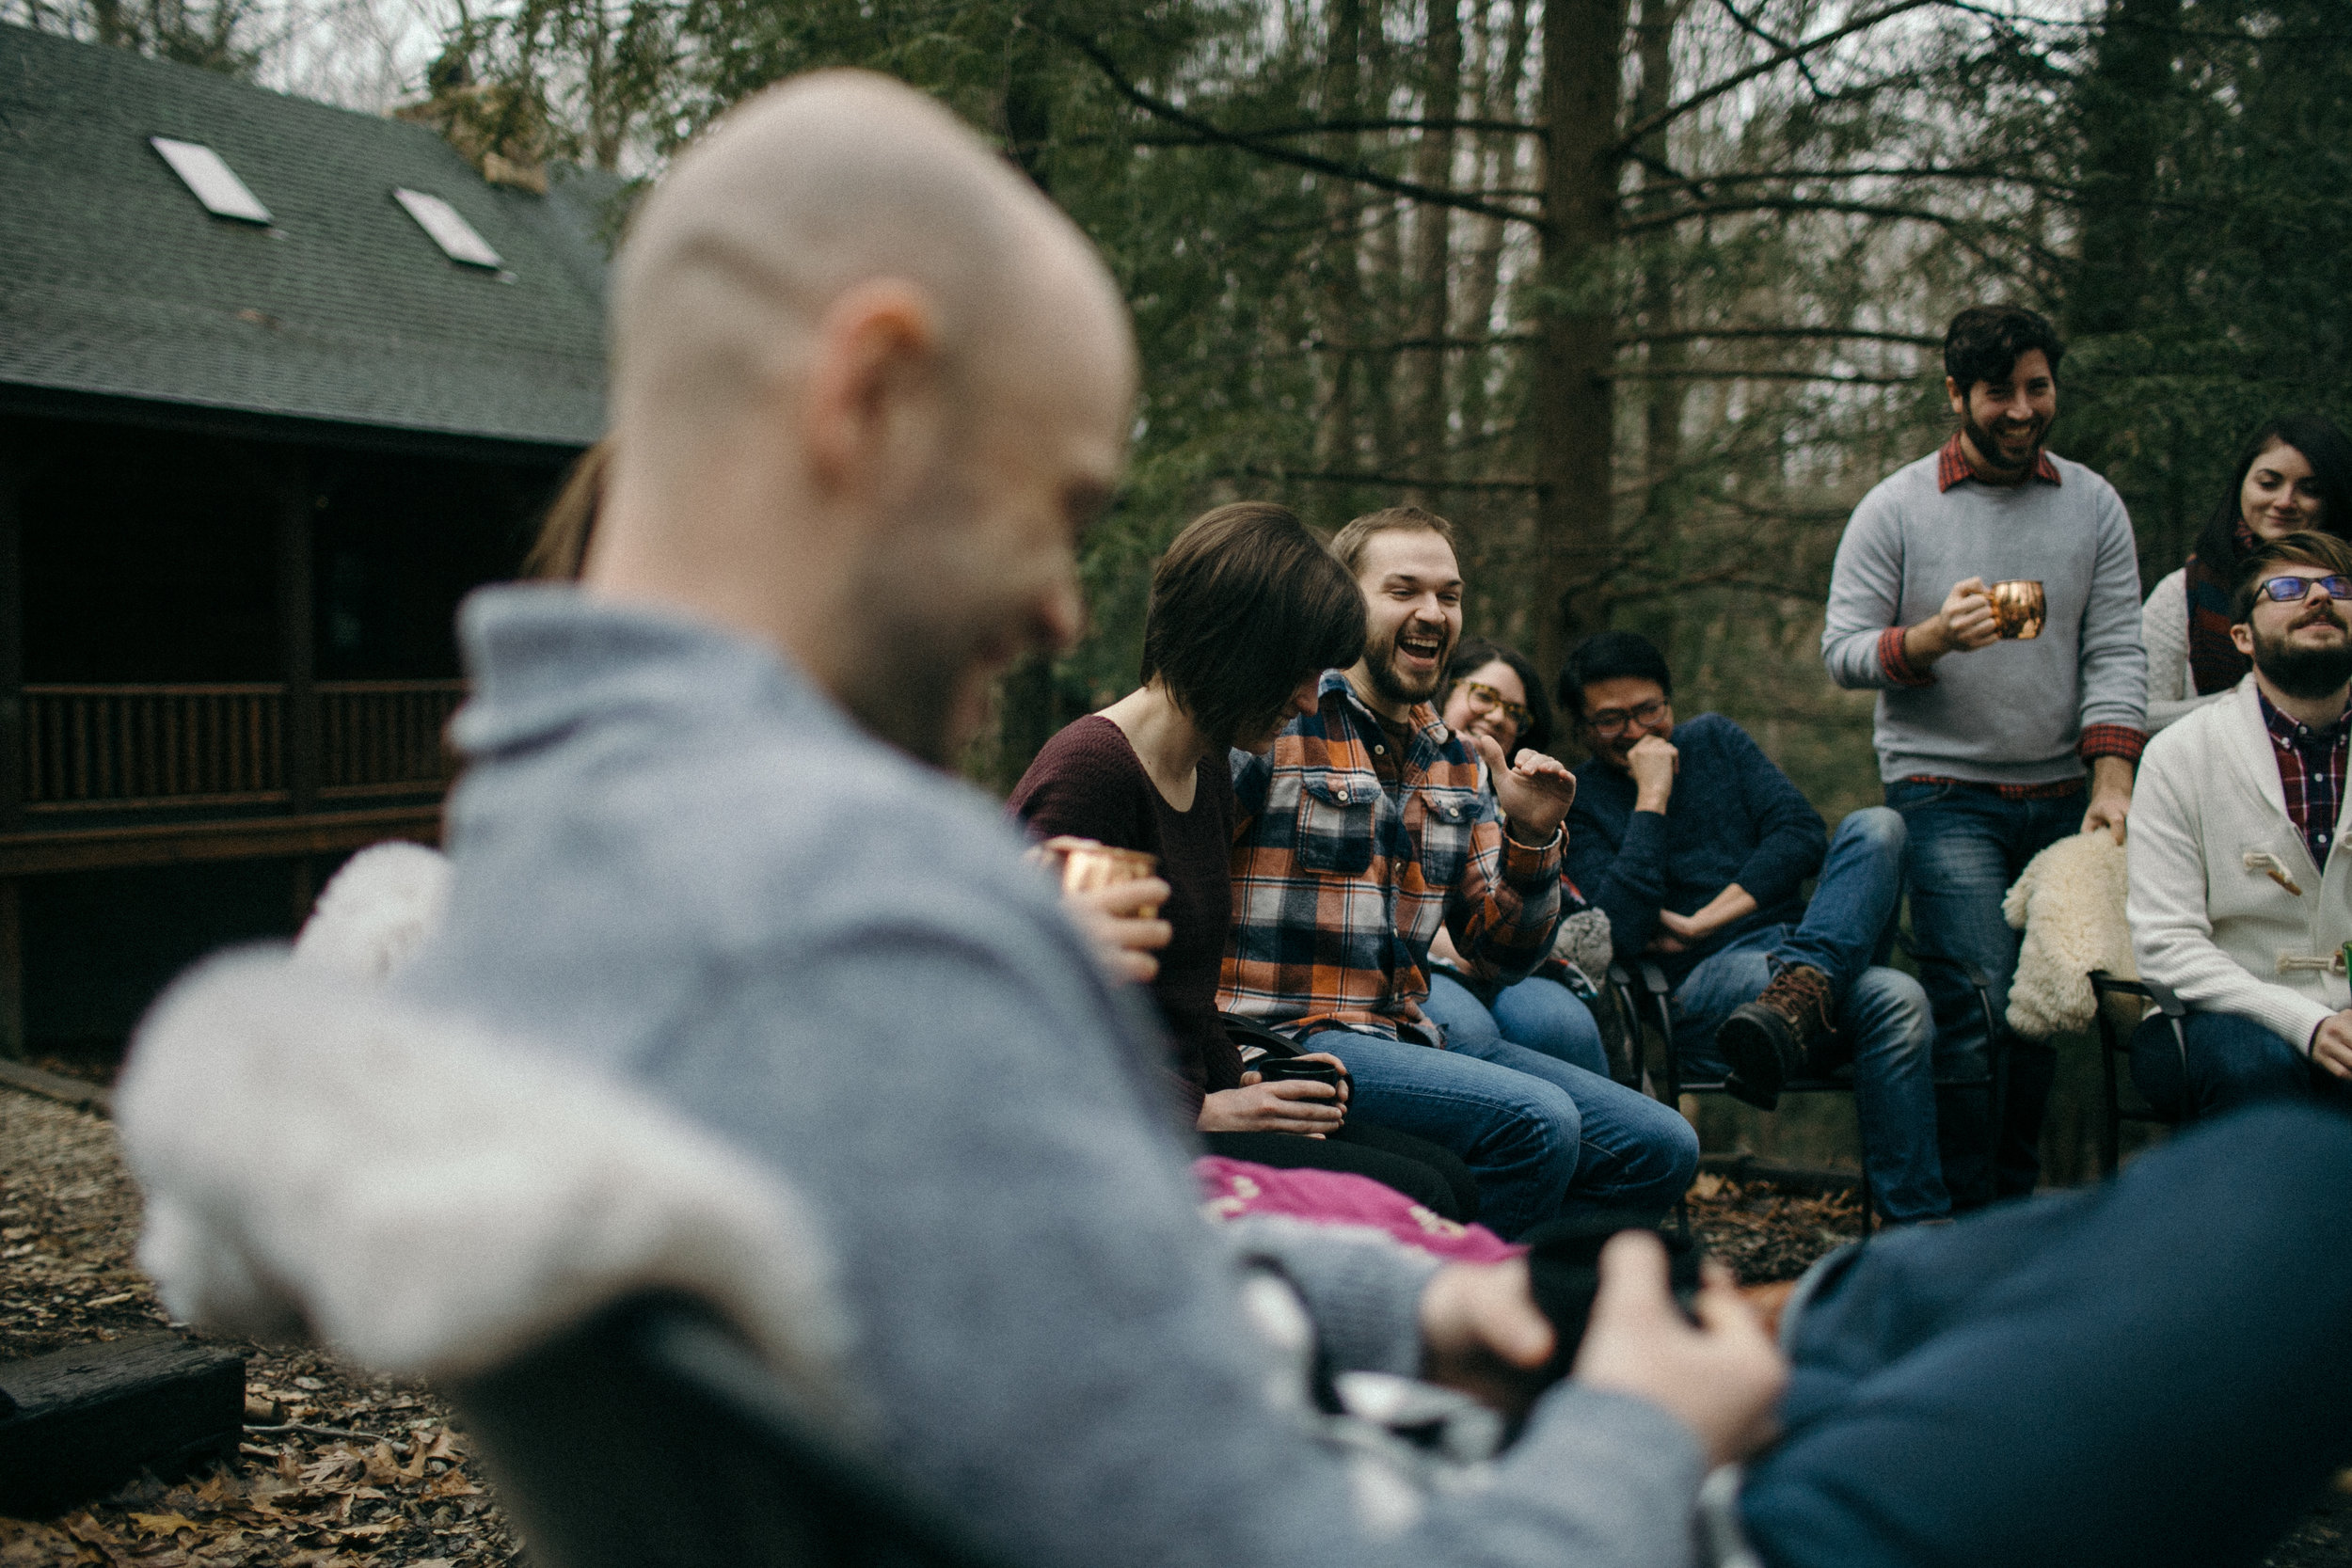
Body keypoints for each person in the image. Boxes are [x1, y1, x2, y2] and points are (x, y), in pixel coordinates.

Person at [384, 71, 2352, 1568]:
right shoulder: (819, 921)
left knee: (1929, 1273)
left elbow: (1128, 1273)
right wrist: (1637, 1427)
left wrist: (1434, 1291)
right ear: (869, 391)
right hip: (1551, 1512)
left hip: (1419, 1397)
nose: (1070, 607)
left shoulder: (638, 870)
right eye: (1054, 509)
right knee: (2297, 1208)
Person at [1220, 505, 1699, 1236]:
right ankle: (1476, 1317)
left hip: (1403, 1038)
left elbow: (1500, 952)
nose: (1432, 612)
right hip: (1286, 1034)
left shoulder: (1458, 759)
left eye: (1448, 595)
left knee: (1662, 1147)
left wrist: (1534, 836)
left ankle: (1503, 1278)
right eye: (1404, 590)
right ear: (1343, 600)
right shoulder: (1280, 718)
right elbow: (1178, 874)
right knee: (1539, 1123)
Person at [1010, 500, 1477, 1220]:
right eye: (1295, 673)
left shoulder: (1206, 773)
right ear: (1235, 650)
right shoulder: (1095, 774)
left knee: (1449, 1171)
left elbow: (1182, 999)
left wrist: (1264, 1071)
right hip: (1135, 1141)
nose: (1305, 699)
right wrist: (1208, 1109)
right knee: (1423, 1195)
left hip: (1194, 1098)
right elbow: (1054, 1034)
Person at [1821, 303, 2147, 1209]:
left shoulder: (2092, 503)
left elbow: (2117, 649)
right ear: (1956, 394)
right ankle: (1963, 1217)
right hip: (1942, 789)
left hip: (2062, 792)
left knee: (2041, 1012)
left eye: (2037, 387)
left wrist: (2112, 777)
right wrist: (1926, 639)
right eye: (1998, 390)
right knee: (1976, 1005)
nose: (2020, 408)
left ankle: (2010, 1207)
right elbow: (1842, 649)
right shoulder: (1896, 506)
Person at [1559, 631, 1949, 1225]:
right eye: (1612, 719)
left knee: (1881, 829)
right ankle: (1915, 1222)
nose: (1636, 731)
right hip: (1706, 995)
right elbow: (1619, 926)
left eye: (1649, 711)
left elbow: (1799, 835)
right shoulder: (1580, 799)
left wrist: (1701, 920)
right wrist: (1653, 796)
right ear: (1584, 726)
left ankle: (1913, 1239)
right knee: (1897, 994)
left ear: (1670, 701)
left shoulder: (1715, 740)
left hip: (1794, 956)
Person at [2128, 531, 2352, 1117]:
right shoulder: (2180, 754)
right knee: (2255, 1070)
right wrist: (2306, 1021)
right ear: (2243, 637)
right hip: (2217, 1016)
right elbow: (2167, 946)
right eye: (2287, 589)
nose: (2319, 598)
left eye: (2337, 586)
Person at [1422, 635, 1613, 1078]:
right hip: (1423, 961)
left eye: (1515, 712)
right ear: (1444, 687)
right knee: (1469, 1030)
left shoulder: (1530, 796)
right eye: (1484, 696)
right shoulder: (1401, 764)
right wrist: (1454, 946)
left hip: (1518, 967)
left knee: (1559, 1025)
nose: (1498, 717)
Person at [2141, 414, 2352, 731]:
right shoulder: (2187, 591)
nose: (2284, 501)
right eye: (2269, 483)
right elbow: (2137, 714)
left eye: (2309, 489)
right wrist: (2256, 701)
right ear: (2242, 483)